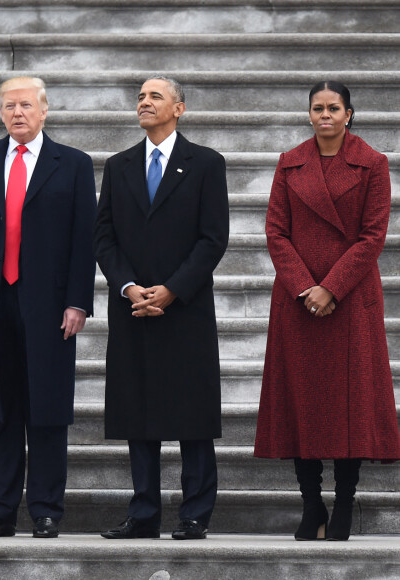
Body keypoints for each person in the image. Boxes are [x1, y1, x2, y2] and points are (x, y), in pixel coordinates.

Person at [0, 76, 96, 539]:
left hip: (49, 306)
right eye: (9, 106)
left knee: (46, 408)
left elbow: (82, 241)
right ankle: (0, 509)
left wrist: (77, 302)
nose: (18, 113)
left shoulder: (73, 164)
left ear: (45, 110)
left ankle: (46, 509)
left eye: (26, 105)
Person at [254, 80, 400, 541]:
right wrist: (305, 287)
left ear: (349, 114)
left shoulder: (373, 163)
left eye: (333, 108)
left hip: (350, 298)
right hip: (299, 303)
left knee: (350, 406)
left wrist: (331, 288)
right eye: (317, 108)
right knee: (303, 403)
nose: (325, 115)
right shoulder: (289, 162)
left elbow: (372, 236)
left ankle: (343, 504)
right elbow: (276, 232)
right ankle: (311, 504)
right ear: (309, 114)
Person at [94, 76, 229, 540]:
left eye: (155, 96)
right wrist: (130, 287)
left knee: (192, 416)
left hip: (185, 308)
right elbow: (104, 237)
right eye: (140, 97)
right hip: (133, 309)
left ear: (180, 108)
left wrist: (172, 290)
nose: (144, 103)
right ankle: (144, 513)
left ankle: (195, 513)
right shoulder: (119, 165)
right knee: (139, 413)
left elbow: (213, 238)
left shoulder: (207, 164)